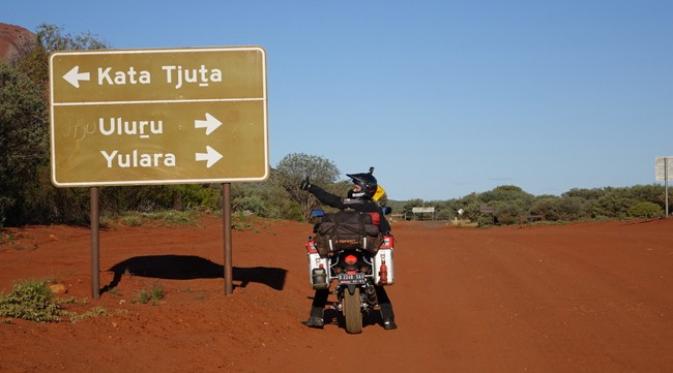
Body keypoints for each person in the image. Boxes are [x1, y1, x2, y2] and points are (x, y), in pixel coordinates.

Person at [299, 167, 397, 330]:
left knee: (325, 282)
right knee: (377, 284)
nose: (353, 188)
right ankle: (388, 320)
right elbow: (386, 230)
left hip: (340, 248)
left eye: (356, 186)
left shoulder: (345, 203)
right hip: (365, 253)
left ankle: (316, 317)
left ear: (365, 188)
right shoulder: (373, 207)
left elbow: (327, 198)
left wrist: (311, 187)